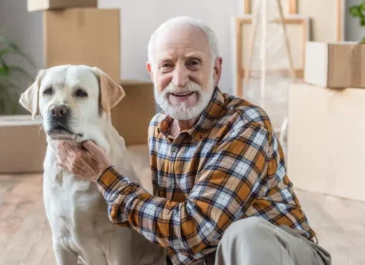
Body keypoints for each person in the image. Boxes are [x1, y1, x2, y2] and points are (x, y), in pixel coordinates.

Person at [55, 16, 331, 265]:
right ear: (152, 73)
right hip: (211, 256)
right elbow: (172, 235)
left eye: (193, 63)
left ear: (216, 70)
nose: (179, 79)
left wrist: (104, 176)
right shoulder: (159, 128)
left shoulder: (245, 125)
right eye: (166, 66)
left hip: (286, 256)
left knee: (246, 232)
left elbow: (193, 230)